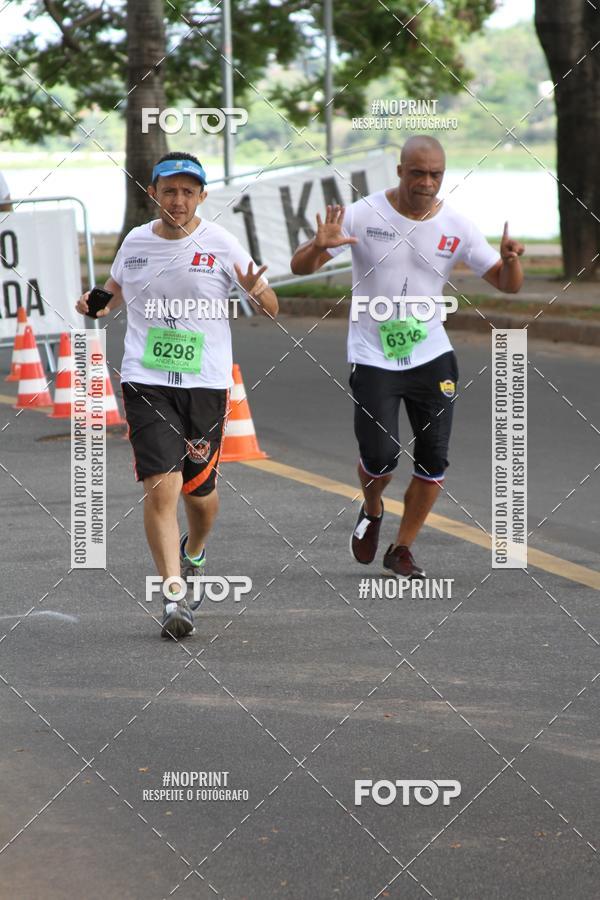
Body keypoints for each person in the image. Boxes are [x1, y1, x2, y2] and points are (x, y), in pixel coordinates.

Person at [290, 135, 524, 578]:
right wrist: (320, 246)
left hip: (431, 353)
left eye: (436, 174)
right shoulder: (363, 213)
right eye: (418, 173)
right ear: (400, 172)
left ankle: (402, 548)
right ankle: (373, 507)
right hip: (373, 354)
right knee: (380, 459)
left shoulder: (457, 225)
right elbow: (301, 267)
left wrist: (511, 260)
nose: (427, 182)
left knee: (433, 460)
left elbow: (507, 283)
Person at [76, 152, 278, 638]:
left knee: (201, 495)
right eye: (170, 190)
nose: (179, 199)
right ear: (154, 194)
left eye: (189, 191)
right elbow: (113, 290)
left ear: (203, 197)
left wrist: (255, 290)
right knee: (161, 487)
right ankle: (172, 598)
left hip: (205, 385)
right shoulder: (136, 242)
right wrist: (94, 304)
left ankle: (195, 552)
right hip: (147, 381)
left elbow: (271, 308)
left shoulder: (222, 244)